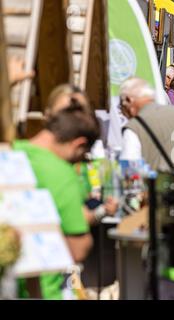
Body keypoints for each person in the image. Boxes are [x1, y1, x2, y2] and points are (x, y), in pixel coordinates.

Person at [13, 106, 100, 299]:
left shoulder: (9, 154)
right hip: (43, 290)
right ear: (79, 144)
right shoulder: (61, 173)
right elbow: (77, 249)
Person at [46, 85, 118, 225]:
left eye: (81, 111)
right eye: (66, 113)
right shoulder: (28, 159)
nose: (73, 120)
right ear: (48, 115)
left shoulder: (77, 164)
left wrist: (103, 211)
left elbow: (78, 216)